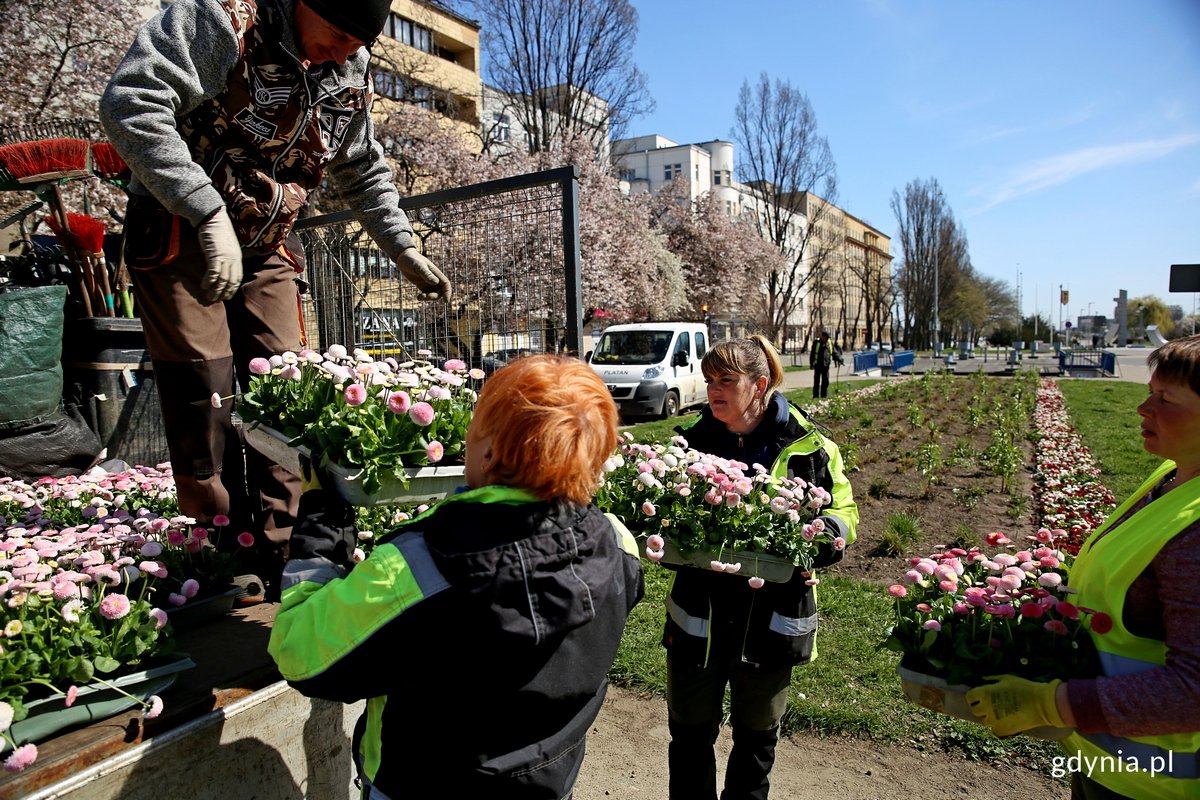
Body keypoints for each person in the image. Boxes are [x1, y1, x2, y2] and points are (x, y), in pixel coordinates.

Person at [98, 0, 452, 598]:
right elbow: (130, 102)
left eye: (356, 44)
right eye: (337, 32)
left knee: (286, 390)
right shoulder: (221, 23)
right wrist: (204, 209)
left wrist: (400, 247)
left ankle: (285, 553)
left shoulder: (349, 68)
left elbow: (361, 165)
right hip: (182, 230)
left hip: (266, 241)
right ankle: (222, 551)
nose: (343, 52)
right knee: (203, 391)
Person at [267, 355, 645, 798]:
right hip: (546, 784)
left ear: (488, 452)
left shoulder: (416, 569)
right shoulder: (617, 544)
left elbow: (300, 654)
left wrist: (320, 533)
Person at [967, 334, 1200, 800]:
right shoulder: (1172, 476)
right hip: (1103, 760)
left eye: (1164, 398)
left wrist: (1052, 704)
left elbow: (1193, 691)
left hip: (1156, 784)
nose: (1142, 407)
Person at [665, 335, 859, 800]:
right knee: (689, 735)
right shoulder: (689, 443)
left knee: (755, 740)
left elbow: (846, 512)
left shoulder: (810, 446)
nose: (714, 390)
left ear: (760, 384)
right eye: (710, 379)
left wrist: (826, 534)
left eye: (726, 380)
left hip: (770, 617)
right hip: (700, 617)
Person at [808, 330, 840, 399]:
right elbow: (812, 354)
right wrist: (811, 363)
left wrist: (839, 359)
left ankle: (824, 395)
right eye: (826, 337)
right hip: (817, 365)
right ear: (822, 337)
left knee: (825, 381)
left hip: (826, 365)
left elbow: (834, 352)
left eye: (828, 338)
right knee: (816, 382)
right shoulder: (817, 343)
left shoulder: (829, 343)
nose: (827, 339)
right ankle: (815, 395)